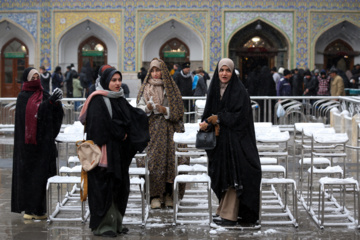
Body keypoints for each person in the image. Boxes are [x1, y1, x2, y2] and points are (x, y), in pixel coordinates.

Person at [79, 68, 149, 237]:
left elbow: (130, 117)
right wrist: (119, 132)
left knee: (119, 188)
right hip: (103, 156)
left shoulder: (118, 98)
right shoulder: (97, 100)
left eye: (119, 79)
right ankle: (103, 226)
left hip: (117, 154)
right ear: (105, 82)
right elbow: (97, 128)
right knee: (104, 189)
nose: (118, 83)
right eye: (114, 80)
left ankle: (116, 223)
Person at [199, 58, 261, 226]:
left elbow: (240, 117)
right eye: (221, 70)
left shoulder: (239, 91)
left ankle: (230, 215)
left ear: (232, 72)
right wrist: (206, 123)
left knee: (236, 175)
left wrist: (219, 118)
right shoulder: (215, 89)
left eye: (227, 70)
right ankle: (224, 211)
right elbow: (208, 112)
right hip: (221, 143)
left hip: (238, 142)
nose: (224, 73)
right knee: (224, 175)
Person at [11, 67, 64, 220]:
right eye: (33, 77)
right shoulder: (23, 97)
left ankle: (39, 210)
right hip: (29, 149)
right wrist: (50, 103)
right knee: (30, 178)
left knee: (42, 178)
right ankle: (29, 210)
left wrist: (56, 103)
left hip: (43, 146)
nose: (36, 80)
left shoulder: (44, 94)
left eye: (37, 77)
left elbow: (51, 114)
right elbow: (37, 113)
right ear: (27, 79)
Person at [136, 58, 185, 209]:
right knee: (152, 162)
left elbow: (178, 110)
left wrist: (166, 110)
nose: (156, 73)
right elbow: (138, 109)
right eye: (153, 70)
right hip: (152, 131)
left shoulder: (170, 87)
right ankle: (154, 195)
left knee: (172, 162)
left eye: (158, 70)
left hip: (170, 130)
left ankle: (170, 194)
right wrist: (148, 108)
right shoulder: (145, 88)